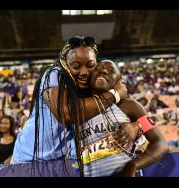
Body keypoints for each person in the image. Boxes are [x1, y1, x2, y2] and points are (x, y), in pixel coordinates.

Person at [11, 36, 127, 177]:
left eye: (90, 65)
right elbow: (65, 114)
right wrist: (115, 94)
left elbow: (127, 111)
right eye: (76, 66)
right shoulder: (53, 74)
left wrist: (137, 127)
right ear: (65, 64)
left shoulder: (93, 85)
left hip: (62, 163)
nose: (84, 72)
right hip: (29, 160)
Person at [80, 60, 168, 177]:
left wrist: (133, 166)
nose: (104, 71)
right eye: (98, 68)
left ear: (118, 81)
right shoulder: (79, 109)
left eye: (111, 71)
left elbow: (161, 143)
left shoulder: (130, 106)